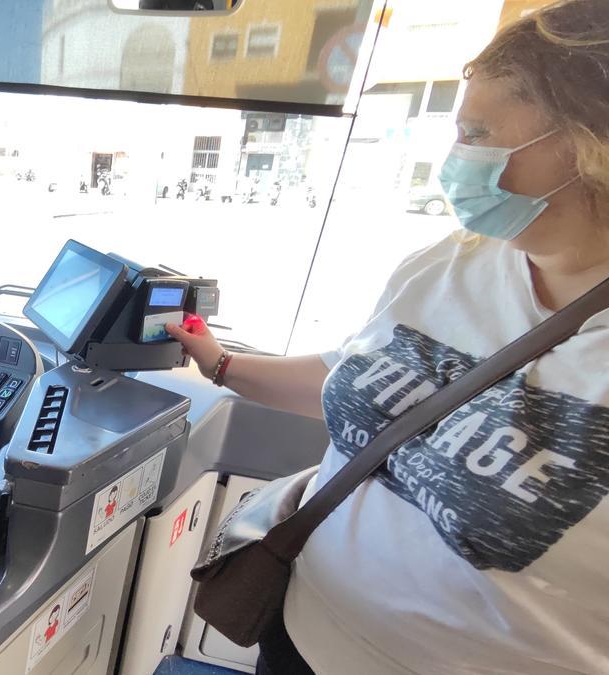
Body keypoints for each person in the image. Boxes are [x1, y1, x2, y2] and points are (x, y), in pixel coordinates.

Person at [166, 1, 609, 673]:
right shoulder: (452, 260)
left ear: (590, 144)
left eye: (478, 131)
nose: (456, 158)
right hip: (298, 632)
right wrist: (222, 362)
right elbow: (362, 377)